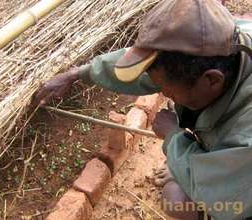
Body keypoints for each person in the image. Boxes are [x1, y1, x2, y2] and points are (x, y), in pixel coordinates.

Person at [34, 0, 252, 219]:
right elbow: (142, 67)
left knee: (175, 200)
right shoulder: (223, 40)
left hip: (239, 200)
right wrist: (80, 73)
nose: (165, 94)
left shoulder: (246, 136)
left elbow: (229, 199)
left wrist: (173, 139)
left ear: (212, 80)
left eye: (170, 92)